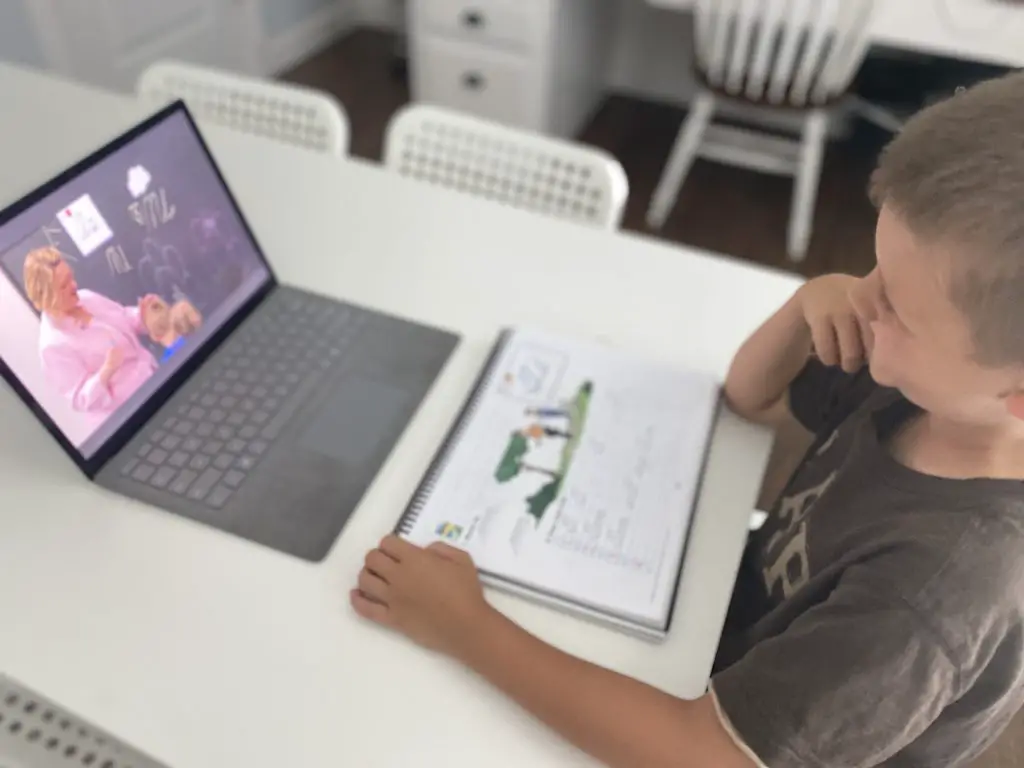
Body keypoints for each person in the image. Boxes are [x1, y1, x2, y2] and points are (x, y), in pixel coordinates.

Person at [351, 72, 1024, 768]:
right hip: (711, 629)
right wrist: (806, 304)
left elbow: (704, 756)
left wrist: (468, 629)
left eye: (897, 306)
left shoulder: (937, 592)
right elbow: (747, 394)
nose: (865, 297)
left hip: (731, 725)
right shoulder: (923, 383)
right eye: (873, 267)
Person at [24, 246, 160, 415]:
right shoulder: (52, 346)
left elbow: (124, 317)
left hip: (154, 377)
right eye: (64, 285)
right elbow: (81, 399)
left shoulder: (86, 297)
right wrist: (108, 369)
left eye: (71, 277)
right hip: (132, 411)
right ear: (47, 296)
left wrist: (146, 315)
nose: (74, 285)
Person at [140, 295, 202, 363]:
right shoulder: (167, 365)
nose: (148, 299)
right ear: (153, 336)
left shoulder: (185, 314)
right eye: (144, 308)